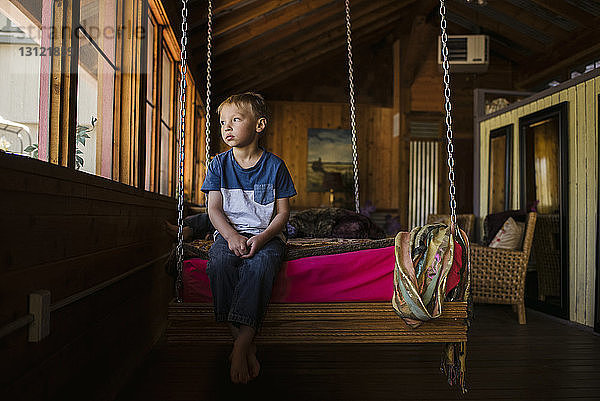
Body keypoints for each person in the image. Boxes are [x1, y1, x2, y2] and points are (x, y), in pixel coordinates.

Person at [201, 92, 296, 384]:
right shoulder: (218, 165)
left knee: (259, 266)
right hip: (228, 234)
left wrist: (264, 237)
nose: (226, 127)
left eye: (236, 120)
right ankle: (245, 342)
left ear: (259, 125)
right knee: (218, 265)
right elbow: (213, 208)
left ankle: (240, 344)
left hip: (266, 237)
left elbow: (282, 214)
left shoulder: (275, 166)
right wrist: (229, 236)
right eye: (222, 122)